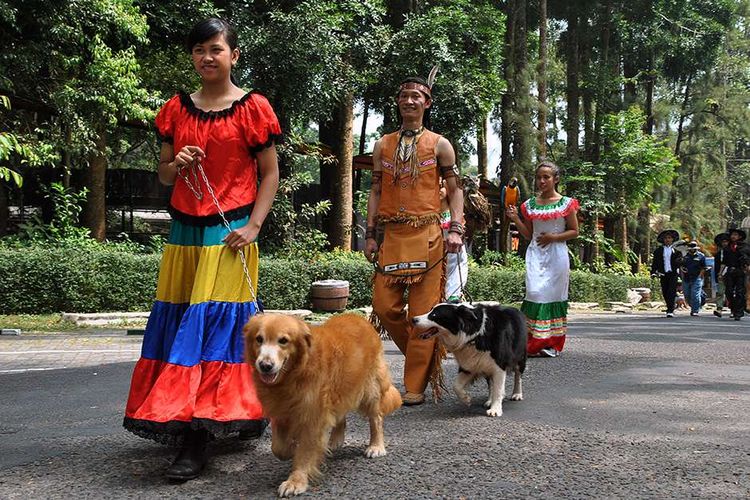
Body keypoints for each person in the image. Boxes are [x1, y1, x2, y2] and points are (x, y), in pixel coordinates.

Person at [123, 18, 281, 480]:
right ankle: (212, 414)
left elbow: (269, 173)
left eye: (215, 49)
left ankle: (197, 439)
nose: (206, 57)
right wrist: (178, 161)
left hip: (230, 231)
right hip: (184, 233)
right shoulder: (176, 109)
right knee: (181, 324)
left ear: (233, 55)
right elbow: (165, 176)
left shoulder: (253, 108)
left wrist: (254, 226)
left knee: (213, 328)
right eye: (198, 50)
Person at [364, 75, 464, 406]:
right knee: (383, 306)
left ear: (427, 103)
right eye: (404, 95)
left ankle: (414, 385)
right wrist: (370, 233)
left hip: (429, 236)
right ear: (398, 102)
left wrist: (456, 229)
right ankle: (421, 359)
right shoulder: (383, 145)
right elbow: (376, 191)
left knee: (422, 313)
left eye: (416, 96)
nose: (409, 101)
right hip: (392, 235)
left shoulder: (439, 144)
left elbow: (454, 190)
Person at [505, 161, 579, 358]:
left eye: (546, 177)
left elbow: (574, 231)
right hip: (536, 253)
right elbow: (528, 234)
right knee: (535, 293)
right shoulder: (529, 205)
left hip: (557, 255)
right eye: (539, 177)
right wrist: (515, 219)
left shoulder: (566, 203)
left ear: (556, 179)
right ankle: (530, 341)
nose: (541, 180)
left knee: (553, 296)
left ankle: (550, 343)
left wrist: (553, 237)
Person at [440, 179, 468, 302]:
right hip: (436, 259)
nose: (437, 191)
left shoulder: (455, 216)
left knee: (451, 297)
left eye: (440, 186)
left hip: (454, 259)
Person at [650, 229, 682, 318]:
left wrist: (680, 261)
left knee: (671, 291)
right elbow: (655, 262)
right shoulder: (658, 251)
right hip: (663, 273)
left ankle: (670, 310)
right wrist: (653, 272)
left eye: (669, 238)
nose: (667, 240)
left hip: (673, 274)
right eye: (666, 238)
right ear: (663, 240)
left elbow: (680, 263)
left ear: (672, 239)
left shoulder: (676, 251)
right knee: (665, 291)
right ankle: (670, 306)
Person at [722, 228, 748, 321]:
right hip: (730, 271)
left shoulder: (745, 247)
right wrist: (721, 273)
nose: (733, 236)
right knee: (728, 291)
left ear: (739, 236)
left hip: (740, 271)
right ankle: (733, 308)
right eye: (732, 235)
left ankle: (739, 312)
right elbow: (724, 261)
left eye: (735, 235)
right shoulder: (727, 247)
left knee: (740, 292)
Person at [681, 241, 708, 316]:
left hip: (697, 278)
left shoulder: (701, 256)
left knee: (695, 294)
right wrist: (682, 271)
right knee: (687, 295)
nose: (692, 249)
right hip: (686, 278)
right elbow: (681, 267)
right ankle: (695, 305)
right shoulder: (685, 256)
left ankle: (695, 310)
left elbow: (704, 268)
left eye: (694, 248)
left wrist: (700, 276)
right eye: (691, 248)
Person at [712, 232, 730, 318]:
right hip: (721, 275)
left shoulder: (733, 251)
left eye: (726, 241)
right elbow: (716, 266)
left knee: (730, 292)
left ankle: (734, 309)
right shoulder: (718, 254)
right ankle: (719, 308)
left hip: (732, 274)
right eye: (723, 242)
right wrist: (717, 275)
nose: (724, 243)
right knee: (720, 292)